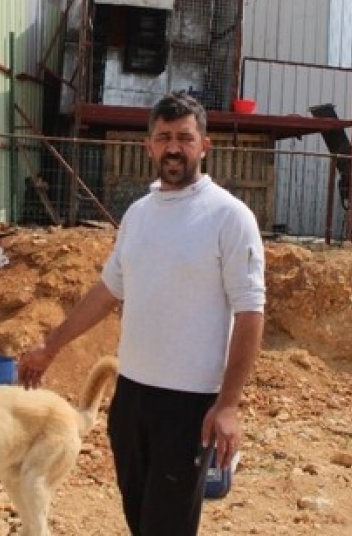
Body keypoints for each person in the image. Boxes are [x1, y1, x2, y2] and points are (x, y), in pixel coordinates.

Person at [18, 92, 265, 535]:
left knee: (166, 526)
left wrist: (228, 405)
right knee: (141, 519)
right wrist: (50, 347)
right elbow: (108, 291)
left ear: (205, 146)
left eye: (185, 138)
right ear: (148, 145)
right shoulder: (138, 214)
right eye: (164, 137)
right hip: (131, 398)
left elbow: (250, 313)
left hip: (189, 406)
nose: (174, 148)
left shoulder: (229, 217)